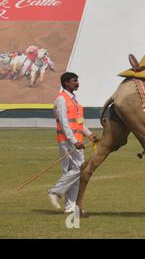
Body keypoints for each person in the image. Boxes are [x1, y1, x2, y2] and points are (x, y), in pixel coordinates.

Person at [48, 72, 98, 213]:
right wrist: (74, 140)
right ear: (66, 83)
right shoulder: (61, 100)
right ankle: (55, 191)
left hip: (76, 140)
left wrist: (90, 135)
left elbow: (79, 123)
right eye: (74, 81)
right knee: (80, 169)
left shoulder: (75, 101)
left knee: (73, 173)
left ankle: (69, 207)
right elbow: (64, 123)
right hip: (68, 141)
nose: (77, 83)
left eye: (77, 80)